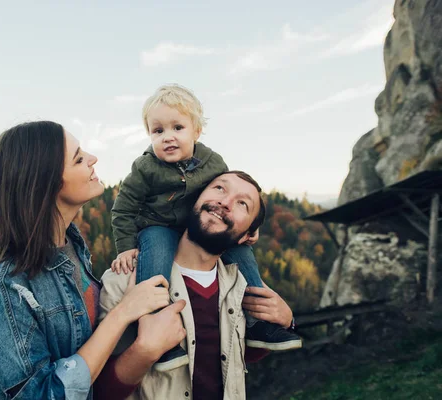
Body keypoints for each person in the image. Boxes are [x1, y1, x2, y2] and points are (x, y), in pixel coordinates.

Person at [0, 121, 173, 400]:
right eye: (79, 159)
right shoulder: (5, 284)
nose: (93, 159)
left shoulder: (71, 248)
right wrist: (123, 313)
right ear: (46, 182)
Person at [111, 84, 301, 370]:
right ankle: (157, 331)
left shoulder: (213, 163)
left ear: (197, 132)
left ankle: (260, 322)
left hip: (199, 228)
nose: (168, 137)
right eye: (158, 131)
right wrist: (125, 246)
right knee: (155, 263)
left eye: (178, 127)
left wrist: (251, 227)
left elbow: (236, 195)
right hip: (157, 226)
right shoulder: (145, 168)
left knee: (241, 251)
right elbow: (123, 208)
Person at [97, 171, 297, 399]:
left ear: (247, 236)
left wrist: (285, 321)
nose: (225, 202)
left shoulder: (242, 286)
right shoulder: (123, 282)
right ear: (195, 200)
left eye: (243, 203)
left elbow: (239, 353)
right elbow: (95, 390)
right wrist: (144, 351)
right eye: (219, 188)